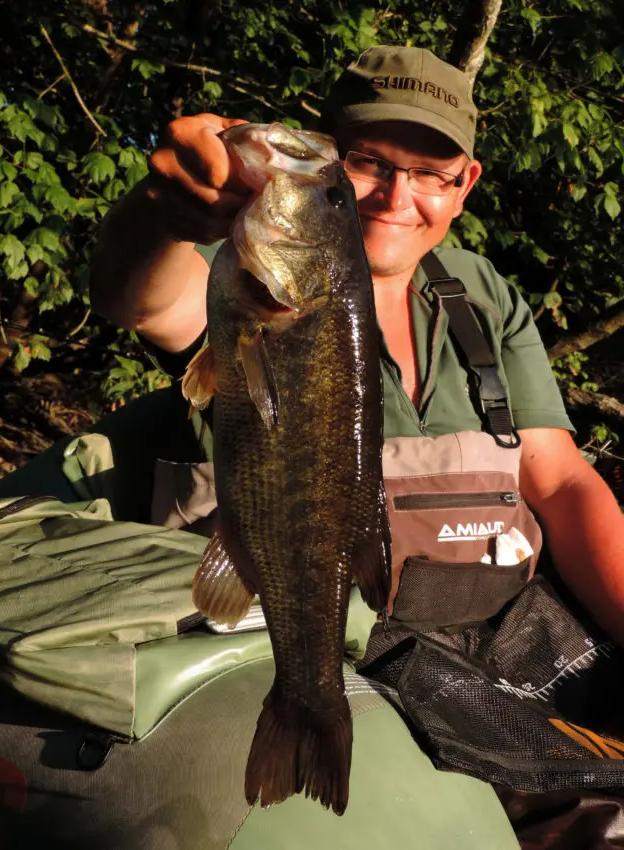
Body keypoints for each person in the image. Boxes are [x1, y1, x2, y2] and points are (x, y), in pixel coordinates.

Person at [89, 44, 624, 644]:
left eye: (428, 173)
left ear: (464, 185)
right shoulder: (250, 277)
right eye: (369, 162)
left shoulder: (481, 292)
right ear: (328, 155)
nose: (396, 199)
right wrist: (162, 214)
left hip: (478, 652)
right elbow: (136, 299)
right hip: (274, 644)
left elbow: (560, 481)